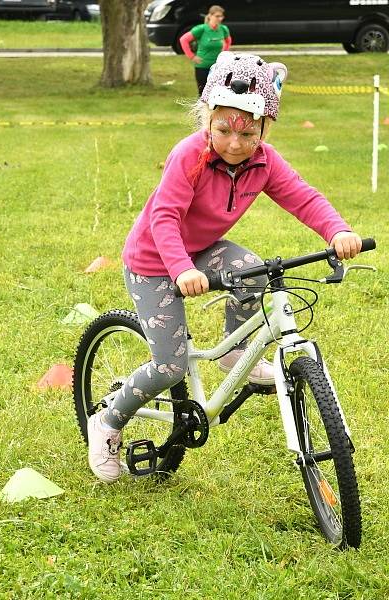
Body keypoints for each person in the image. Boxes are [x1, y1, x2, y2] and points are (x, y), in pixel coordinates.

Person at [87, 51, 363, 483]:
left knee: (252, 268)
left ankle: (234, 355)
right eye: (223, 130)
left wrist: (337, 231)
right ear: (208, 119)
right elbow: (165, 218)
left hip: (200, 251)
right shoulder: (189, 156)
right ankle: (107, 422)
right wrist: (180, 270)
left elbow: (304, 197)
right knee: (170, 365)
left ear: (264, 129)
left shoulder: (264, 161)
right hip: (156, 261)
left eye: (248, 133)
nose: (235, 143)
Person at [179, 5, 232, 96]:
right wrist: (191, 56)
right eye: (217, 16)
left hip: (217, 67)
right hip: (203, 66)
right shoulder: (201, 29)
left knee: (217, 93)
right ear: (210, 16)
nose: (219, 19)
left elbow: (228, 41)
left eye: (221, 16)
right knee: (203, 93)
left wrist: (224, 54)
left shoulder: (223, 29)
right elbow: (183, 40)